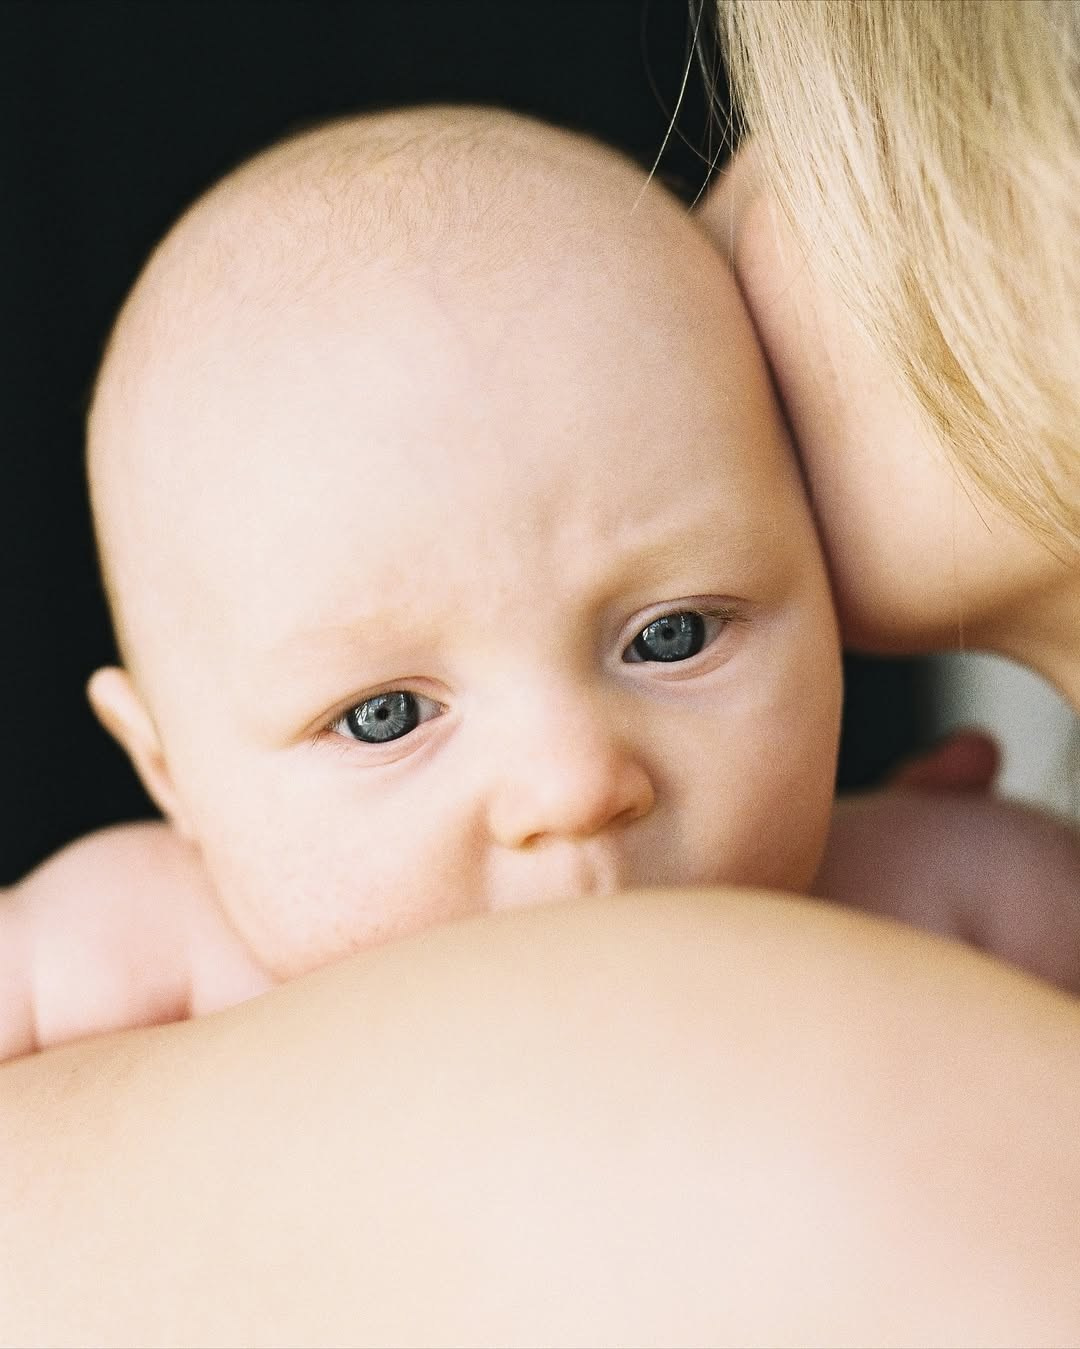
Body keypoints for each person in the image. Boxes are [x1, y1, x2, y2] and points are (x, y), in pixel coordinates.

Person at [3, 2, 1079, 1342]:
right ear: (170, 770)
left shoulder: (930, 886)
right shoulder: (149, 936)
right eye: (387, 715)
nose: (574, 781)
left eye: (675, 637)